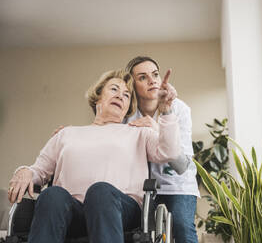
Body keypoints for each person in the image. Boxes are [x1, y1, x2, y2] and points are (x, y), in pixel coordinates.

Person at [7, 69, 181, 243]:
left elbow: (169, 151)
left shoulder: (139, 133)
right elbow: (39, 170)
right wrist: (24, 170)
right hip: (70, 211)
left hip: (120, 209)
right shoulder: (66, 133)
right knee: (52, 195)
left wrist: (165, 111)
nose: (121, 96)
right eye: (114, 89)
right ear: (98, 96)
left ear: (128, 107)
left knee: (100, 191)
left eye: (126, 95)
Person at [124, 56, 199, 243]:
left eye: (155, 74)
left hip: (178, 185)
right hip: (141, 188)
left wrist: (158, 129)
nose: (152, 80)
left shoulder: (179, 109)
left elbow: (181, 166)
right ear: (132, 85)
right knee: (137, 234)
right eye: (142, 77)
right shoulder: (127, 114)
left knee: (182, 227)